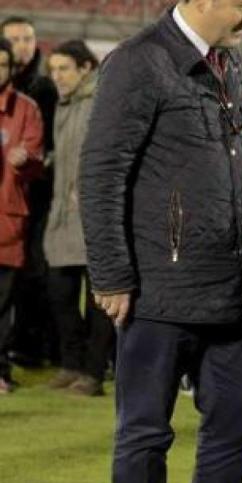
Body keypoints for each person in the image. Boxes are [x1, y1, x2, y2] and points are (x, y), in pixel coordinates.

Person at [79, 0, 242, 483]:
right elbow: (101, 173)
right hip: (157, 292)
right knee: (144, 437)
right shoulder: (138, 62)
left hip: (228, 290)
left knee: (234, 426)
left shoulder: (229, 64)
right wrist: (111, 274)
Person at [43, 40, 114, 397]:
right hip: (62, 215)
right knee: (60, 292)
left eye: (64, 69)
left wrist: (92, 189)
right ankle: (71, 364)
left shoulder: (101, 102)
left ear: (85, 68)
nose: (57, 77)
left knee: (98, 299)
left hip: (95, 214)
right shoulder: (64, 105)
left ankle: (93, 372)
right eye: (53, 70)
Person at [2, 16, 58, 367]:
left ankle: (32, 346)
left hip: (31, 197)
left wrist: (33, 161)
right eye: (16, 39)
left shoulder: (40, 92)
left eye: (28, 38)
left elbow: (46, 150)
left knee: (33, 275)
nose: (24, 45)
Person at [0, 37, 44, 394]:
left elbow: (36, 161)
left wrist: (26, 161)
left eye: (3, 65)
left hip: (7, 219)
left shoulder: (25, 109)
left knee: (2, 305)